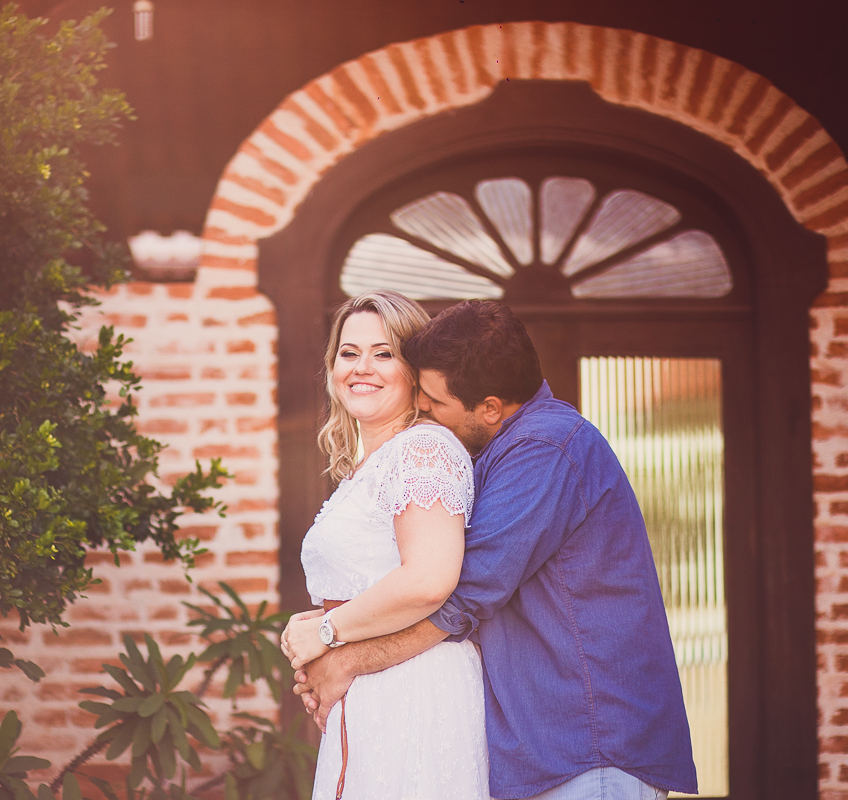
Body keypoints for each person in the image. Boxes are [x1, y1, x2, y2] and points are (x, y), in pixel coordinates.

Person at [295, 299, 698, 800]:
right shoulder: (505, 448)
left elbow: (463, 594)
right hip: (550, 745)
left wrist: (347, 656)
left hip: (589, 742)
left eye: (434, 400)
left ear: (489, 408)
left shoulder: (545, 448)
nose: (424, 410)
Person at [279, 289, 489, 800]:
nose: (362, 368)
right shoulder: (372, 463)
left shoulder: (423, 450)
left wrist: (326, 632)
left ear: (414, 371)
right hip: (374, 687)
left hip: (414, 688)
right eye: (349, 353)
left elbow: (428, 580)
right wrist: (318, 624)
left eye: (384, 353)